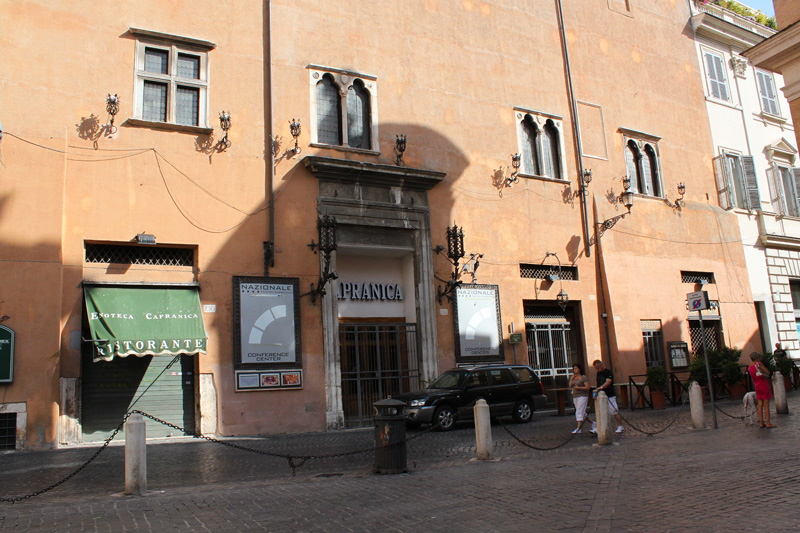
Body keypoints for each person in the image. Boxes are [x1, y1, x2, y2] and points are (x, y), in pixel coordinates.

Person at [592, 359, 624, 433]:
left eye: (598, 368)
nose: (597, 370)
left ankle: (620, 426)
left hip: (610, 395)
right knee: (601, 411)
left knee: (614, 411)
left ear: (601, 365)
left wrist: (601, 388)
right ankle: (599, 428)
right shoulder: (598, 373)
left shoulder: (608, 372)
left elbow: (608, 382)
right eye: (596, 368)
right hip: (601, 395)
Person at [748, 352, 775, 428]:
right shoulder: (759, 364)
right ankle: (768, 422)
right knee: (766, 404)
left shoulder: (750, 366)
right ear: (758, 358)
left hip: (756, 385)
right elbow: (768, 372)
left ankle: (761, 422)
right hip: (763, 384)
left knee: (760, 404)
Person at [568, 363, 593, 434]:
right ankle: (593, 423)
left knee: (579, 411)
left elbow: (587, 387)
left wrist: (579, 388)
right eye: (573, 369)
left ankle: (578, 428)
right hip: (575, 396)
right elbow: (570, 386)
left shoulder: (583, 377)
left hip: (582, 396)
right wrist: (571, 379)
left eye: (576, 368)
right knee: (582, 412)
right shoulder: (573, 377)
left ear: (579, 369)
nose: (574, 370)